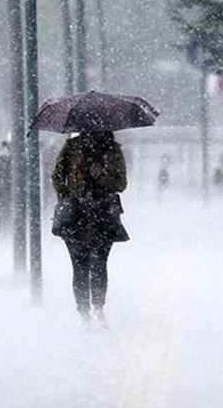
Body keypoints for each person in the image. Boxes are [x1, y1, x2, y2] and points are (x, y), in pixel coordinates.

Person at [52, 131, 129, 326]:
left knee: (99, 264)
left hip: (103, 215)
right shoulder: (71, 148)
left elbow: (120, 184)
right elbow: (57, 177)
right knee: (80, 266)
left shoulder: (113, 150)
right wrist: (69, 196)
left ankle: (98, 308)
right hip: (76, 216)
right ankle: (84, 312)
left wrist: (101, 176)